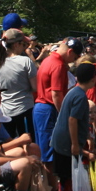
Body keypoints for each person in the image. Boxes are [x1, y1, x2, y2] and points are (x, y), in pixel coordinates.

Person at [50, 61, 96, 191]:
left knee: (66, 175)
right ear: (92, 79)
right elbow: (73, 119)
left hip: (61, 139)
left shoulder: (73, 92)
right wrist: (75, 144)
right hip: (66, 141)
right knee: (71, 174)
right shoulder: (80, 97)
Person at [33, 38, 83, 179]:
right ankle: (53, 187)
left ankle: (50, 187)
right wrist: (64, 115)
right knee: (50, 152)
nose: (73, 60)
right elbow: (56, 94)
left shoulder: (47, 60)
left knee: (44, 150)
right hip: (48, 108)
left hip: (41, 107)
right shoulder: (58, 65)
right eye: (74, 57)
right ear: (70, 51)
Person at [0, 28, 37, 139]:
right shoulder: (25, 61)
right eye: (23, 44)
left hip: (4, 111)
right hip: (25, 109)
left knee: (10, 142)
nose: (25, 46)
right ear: (16, 45)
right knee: (29, 144)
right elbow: (34, 87)